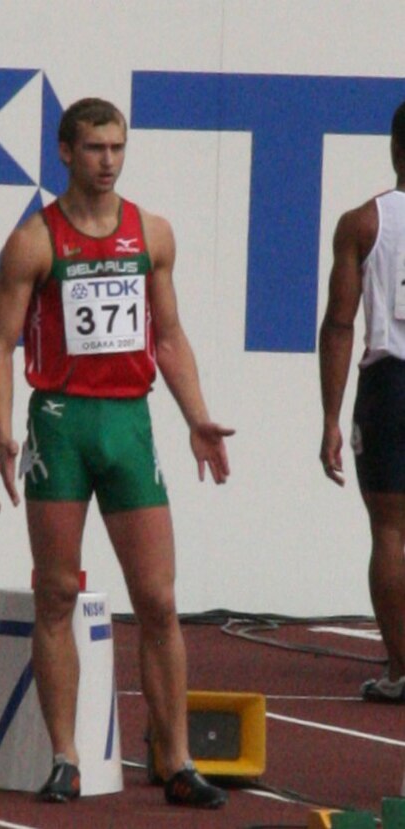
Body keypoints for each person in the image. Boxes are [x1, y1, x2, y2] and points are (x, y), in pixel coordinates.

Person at [0, 98, 234, 807]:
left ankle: (177, 759)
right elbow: (0, 342)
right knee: (56, 592)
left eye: (118, 148)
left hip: (129, 424)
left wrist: (198, 417)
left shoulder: (151, 232)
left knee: (158, 599)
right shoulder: (35, 239)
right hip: (60, 422)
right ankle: (63, 755)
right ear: (65, 151)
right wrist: (2, 428)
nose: (108, 161)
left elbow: (171, 335)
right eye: (95, 148)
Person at [319, 100, 405, 703]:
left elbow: (340, 324)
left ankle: (401, 671)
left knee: (392, 532)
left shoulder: (365, 223)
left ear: (396, 150)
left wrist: (330, 417)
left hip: (391, 387)